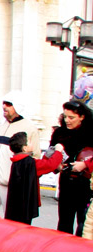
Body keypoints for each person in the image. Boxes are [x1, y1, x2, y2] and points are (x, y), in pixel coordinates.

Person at [0, 90, 40, 212]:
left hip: (11, 185)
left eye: (9, 104)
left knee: (9, 222)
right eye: (3, 103)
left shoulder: (29, 128)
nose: (4, 106)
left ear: (18, 106)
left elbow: (35, 158)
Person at [49, 100, 93, 235]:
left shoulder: (91, 132)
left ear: (82, 117)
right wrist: (56, 165)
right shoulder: (60, 133)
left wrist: (85, 164)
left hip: (86, 183)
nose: (67, 120)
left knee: (84, 223)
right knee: (64, 222)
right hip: (66, 180)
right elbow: (50, 155)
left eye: (71, 117)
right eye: (65, 116)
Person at [4, 132, 64, 225]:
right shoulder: (30, 162)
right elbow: (49, 165)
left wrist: (47, 156)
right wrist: (58, 151)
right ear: (25, 148)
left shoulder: (17, 161)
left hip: (16, 205)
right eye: (29, 142)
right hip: (26, 206)